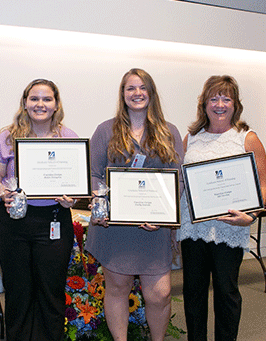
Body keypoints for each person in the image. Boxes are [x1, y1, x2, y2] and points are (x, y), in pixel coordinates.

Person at [85, 68, 183, 341]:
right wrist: (101, 201)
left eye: (142, 88)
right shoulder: (106, 130)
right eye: (130, 88)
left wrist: (164, 216)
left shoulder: (169, 131)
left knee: (160, 293)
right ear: (123, 94)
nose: (137, 93)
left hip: (155, 227)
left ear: (151, 93)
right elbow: (93, 173)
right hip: (116, 227)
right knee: (117, 288)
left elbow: (179, 181)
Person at [0, 79, 78, 341]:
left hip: (54, 223)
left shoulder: (69, 138)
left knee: (51, 292)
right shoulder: (8, 137)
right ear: (25, 103)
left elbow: (79, 186)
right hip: (14, 224)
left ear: (56, 104)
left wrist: (73, 199)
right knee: (18, 293)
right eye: (34, 99)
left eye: (47, 99)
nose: (40, 104)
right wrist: (3, 192)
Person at [176, 75, 266, 341]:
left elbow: (263, 184)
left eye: (226, 98)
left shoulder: (246, 138)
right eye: (214, 98)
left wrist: (250, 215)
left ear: (235, 104)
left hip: (230, 228)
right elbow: (181, 182)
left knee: (227, 292)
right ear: (204, 103)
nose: (220, 104)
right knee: (193, 293)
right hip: (193, 229)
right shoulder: (191, 138)